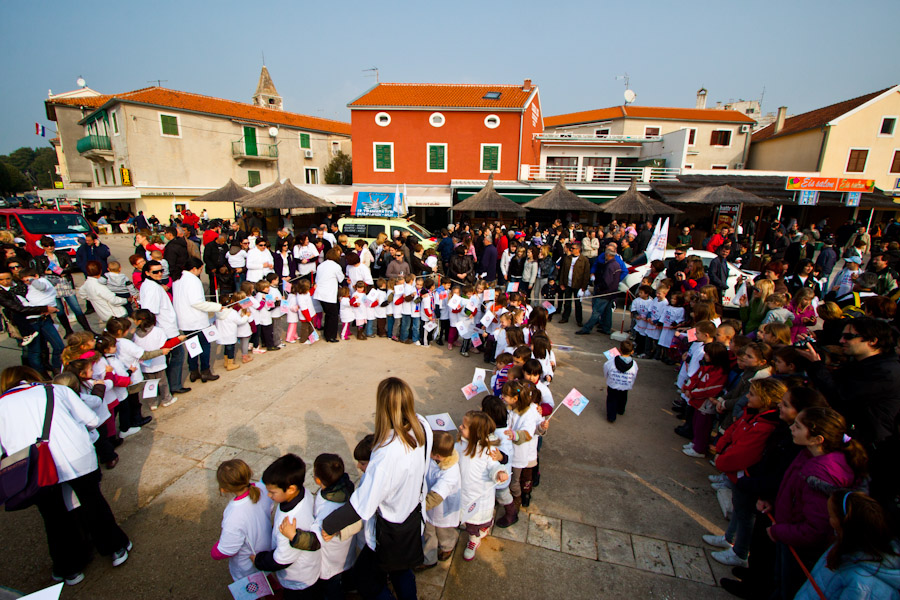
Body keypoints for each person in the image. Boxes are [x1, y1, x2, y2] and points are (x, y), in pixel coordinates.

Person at [0, 366, 132, 586]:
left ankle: (69, 568)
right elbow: (91, 419)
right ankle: (115, 548)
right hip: (74, 456)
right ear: (32, 376)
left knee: (54, 517)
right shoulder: (56, 390)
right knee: (93, 503)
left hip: (34, 468)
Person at [319, 377, 432, 600]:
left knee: (366, 580)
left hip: (392, 528)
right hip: (413, 513)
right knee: (401, 570)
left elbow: (363, 503)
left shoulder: (387, 452)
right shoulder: (422, 426)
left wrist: (329, 525)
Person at [767, 406, 868, 599]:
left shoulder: (822, 472)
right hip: (789, 532)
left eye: (797, 426)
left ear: (817, 439)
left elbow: (815, 529)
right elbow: (794, 491)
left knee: (787, 590)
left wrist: (778, 531)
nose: (791, 428)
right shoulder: (809, 453)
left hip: (799, 545)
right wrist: (774, 503)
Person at [794, 491, 900, 600]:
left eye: (831, 515)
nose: (829, 520)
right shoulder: (842, 547)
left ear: (844, 524)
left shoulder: (862, 586)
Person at [456, 411, 509, 561]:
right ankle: (476, 529)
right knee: (466, 518)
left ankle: (474, 540)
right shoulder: (460, 444)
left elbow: (494, 466)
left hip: (479, 495)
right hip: (464, 491)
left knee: (474, 523)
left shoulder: (487, 450)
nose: (460, 427)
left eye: (464, 426)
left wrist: (499, 473)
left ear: (475, 433)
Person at [139, 260, 190, 395]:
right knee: (177, 355)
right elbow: (151, 311)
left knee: (169, 358)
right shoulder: (152, 288)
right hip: (165, 329)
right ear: (147, 273)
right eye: (155, 272)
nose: (160, 274)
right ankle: (174, 385)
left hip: (166, 327)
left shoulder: (151, 285)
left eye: (161, 271)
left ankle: (168, 386)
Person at [31, 236, 92, 334]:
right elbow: (41, 272)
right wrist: (59, 271)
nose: (50, 247)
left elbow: (71, 267)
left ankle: (88, 330)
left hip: (66, 284)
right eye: (47, 246)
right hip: (52, 287)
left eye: (51, 245)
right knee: (60, 311)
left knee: (76, 308)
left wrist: (55, 272)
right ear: (43, 247)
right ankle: (68, 331)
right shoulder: (40, 259)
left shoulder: (62, 254)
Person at [421, 430, 461, 567]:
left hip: (441, 508)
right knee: (428, 531)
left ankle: (448, 546)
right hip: (429, 506)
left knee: (444, 531)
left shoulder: (450, 473)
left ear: (437, 455)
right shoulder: (435, 459)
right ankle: (429, 558)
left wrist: (418, 507)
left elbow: (435, 498)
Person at [314, 248, 346, 343]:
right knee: (333, 315)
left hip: (320, 293)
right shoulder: (336, 266)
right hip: (329, 294)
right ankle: (331, 336)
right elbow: (341, 279)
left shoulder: (321, 265)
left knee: (328, 314)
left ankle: (327, 334)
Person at [603, 340, 638, 422]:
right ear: (632, 352)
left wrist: (608, 378)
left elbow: (606, 370)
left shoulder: (611, 362)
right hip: (625, 385)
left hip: (613, 384)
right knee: (623, 397)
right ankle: (621, 410)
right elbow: (634, 375)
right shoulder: (634, 364)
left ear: (619, 350)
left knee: (612, 400)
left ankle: (611, 417)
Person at [558, 243, 589, 326]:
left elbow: (586, 274)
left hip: (578, 285)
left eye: (573, 248)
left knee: (578, 304)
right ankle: (565, 317)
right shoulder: (567, 259)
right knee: (567, 302)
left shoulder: (584, 260)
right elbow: (562, 271)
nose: (571, 249)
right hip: (567, 283)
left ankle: (579, 320)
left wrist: (584, 287)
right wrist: (561, 283)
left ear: (578, 249)